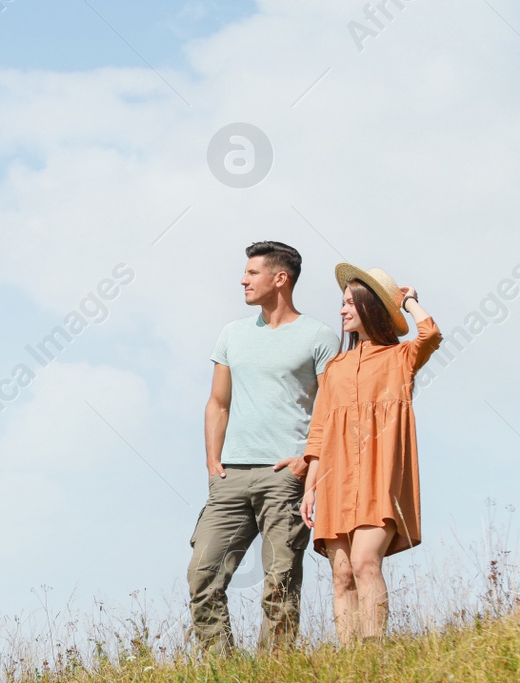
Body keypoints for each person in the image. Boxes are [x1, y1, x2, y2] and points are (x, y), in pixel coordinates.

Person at [188, 241, 338, 654]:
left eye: (252, 273)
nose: (243, 280)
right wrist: (212, 461)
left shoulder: (318, 336)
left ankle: (275, 673)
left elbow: (331, 409)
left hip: (284, 477)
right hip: (230, 477)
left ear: (280, 278)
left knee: (280, 582)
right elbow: (218, 402)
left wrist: (309, 460)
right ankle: (221, 673)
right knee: (203, 575)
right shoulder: (232, 334)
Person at [300, 263, 440, 644]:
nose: (342, 310)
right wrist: (310, 488)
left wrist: (408, 302)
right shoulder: (335, 368)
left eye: (350, 303)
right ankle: (351, 663)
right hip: (335, 478)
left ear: (371, 307)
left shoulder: (401, 359)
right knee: (342, 574)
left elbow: (431, 334)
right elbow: (318, 431)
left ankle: (373, 655)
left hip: (379, 477)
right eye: (342, 303)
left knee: (364, 562)